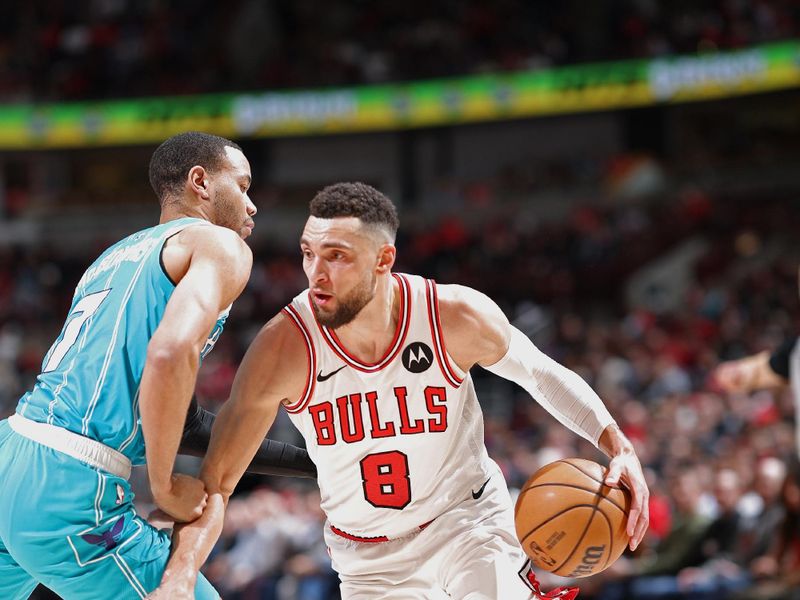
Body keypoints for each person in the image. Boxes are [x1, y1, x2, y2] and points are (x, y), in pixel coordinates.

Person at [156, 182, 650, 599]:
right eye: (309, 254)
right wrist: (179, 578)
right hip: (367, 559)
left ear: (383, 259)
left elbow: (540, 374)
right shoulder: (284, 347)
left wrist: (618, 445)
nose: (316, 274)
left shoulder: (453, 316)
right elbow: (218, 482)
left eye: (337, 256)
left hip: (466, 522)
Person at [0, 131, 313, 600]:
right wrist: (164, 488)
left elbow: (179, 423)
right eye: (243, 187)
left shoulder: (111, 259)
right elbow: (169, 354)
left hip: (11, 452)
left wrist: (320, 466)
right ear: (200, 182)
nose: (251, 207)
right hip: (70, 482)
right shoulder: (219, 246)